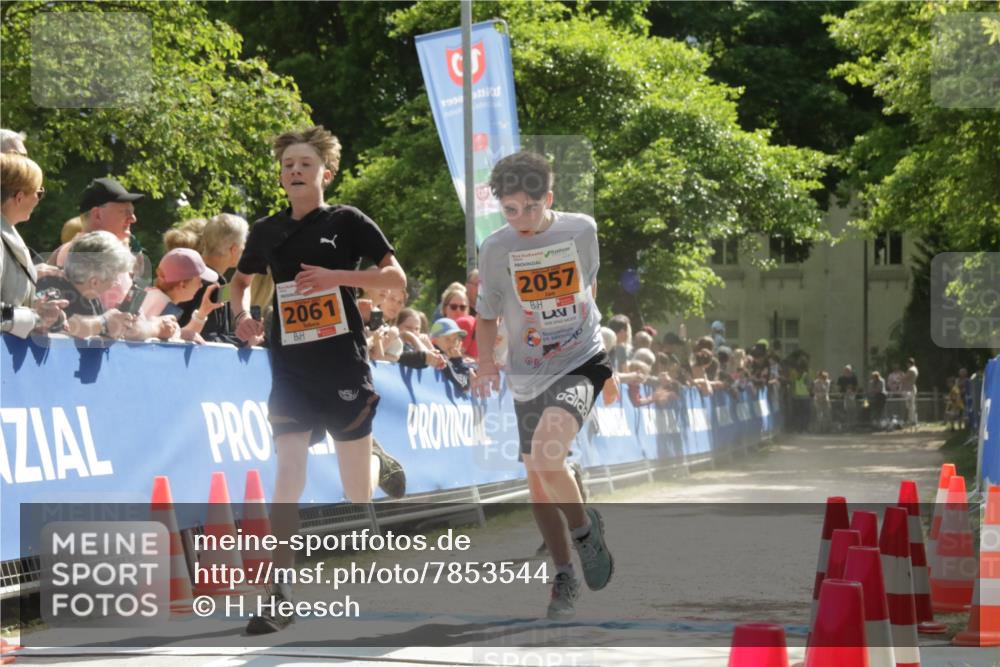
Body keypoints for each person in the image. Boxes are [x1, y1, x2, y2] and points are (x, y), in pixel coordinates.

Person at [229, 126, 407, 634]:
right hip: (288, 363)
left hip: (341, 362)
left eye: (305, 164)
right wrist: (242, 314)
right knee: (288, 470)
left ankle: (373, 456)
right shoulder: (265, 230)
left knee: (357, 494)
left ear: (325, 173)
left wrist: (339, 279)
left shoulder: (348, 222)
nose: (295, 171)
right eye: (288, 165)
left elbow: (395, 279)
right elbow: (239, 282)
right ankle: (278, 590)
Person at [473, 151, 614, 621]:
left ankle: (584, 535)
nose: (521, 220)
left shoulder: (581, 230)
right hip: (527, 373)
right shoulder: (495, 248)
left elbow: (587, 291)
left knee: (547, 454)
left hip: (581, 359)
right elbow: (487, 315)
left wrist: (600, 363)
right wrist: (486, 366)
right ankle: (563, 574)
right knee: (538, 479)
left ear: (548, 198)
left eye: (530, 209)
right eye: (510, 210)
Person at [1, 153, 66, 337]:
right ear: (19, 197)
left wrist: (42, 311)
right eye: (39, 193)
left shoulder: (9, 235)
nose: (39, 199)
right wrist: (35, 317)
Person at [139, 248, 223, 343]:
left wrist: (202, 313)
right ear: (182, 285)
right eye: (199, 280)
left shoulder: (153, 295)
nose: (201, 286)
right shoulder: (163, 304)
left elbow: (181, 334)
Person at [901, 357, 919, 428]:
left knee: (910, 406)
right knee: (912, 406)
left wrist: (902, 376)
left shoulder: (911, 370)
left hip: (909, 390)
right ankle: (913, 421)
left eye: (907, 363)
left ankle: (912, 421)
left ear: (909, 363)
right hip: (911, 388)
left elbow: (904, 378)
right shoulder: (915, 369)